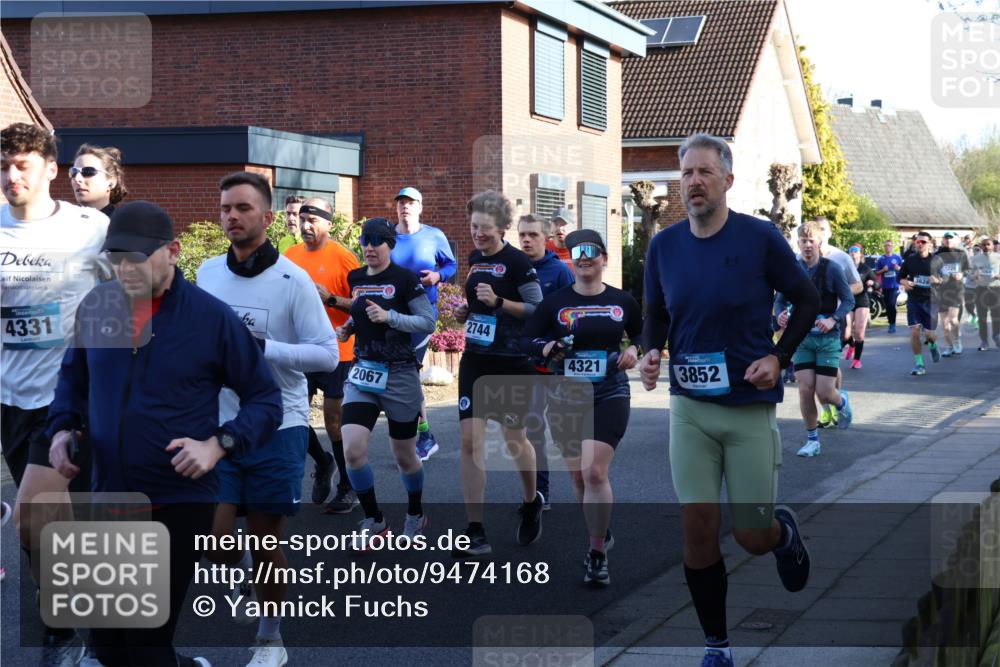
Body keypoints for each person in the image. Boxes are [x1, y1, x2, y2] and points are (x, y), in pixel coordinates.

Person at [47, 200, 283, 667]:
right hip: (108, 495)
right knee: (108, 644)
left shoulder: (209, 317)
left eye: (137, 258)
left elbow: (265, 399)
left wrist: (219, 444)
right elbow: (72, 382)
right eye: (115, 258)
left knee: (145, 642)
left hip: (176, 500)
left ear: (172, 251)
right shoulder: (100, 304)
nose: (124, 269)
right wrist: (60, 429)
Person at [639, 134, 817, 667]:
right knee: (697, 522)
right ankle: (717, 645)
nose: (693, 181)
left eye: (704, 173)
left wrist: (780, 358)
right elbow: (655, 314)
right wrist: (650, 352)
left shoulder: (760, 238)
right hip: (689, 407)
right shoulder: (663, 246)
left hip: (747, 407)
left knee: (750, 535)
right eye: (686, 173)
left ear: (727, 181)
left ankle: (781, 534)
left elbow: (806, 300)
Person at [198, 172, 338, 667]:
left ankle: (270, 638)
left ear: (268, 217)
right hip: (221, 424)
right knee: (213, 544)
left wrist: (263, 349)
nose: (231, 216)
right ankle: (246, 575)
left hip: (279, 423)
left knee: (265, 540)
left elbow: (326, 355)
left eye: (243, 208)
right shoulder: (208, 272)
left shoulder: (293, 281)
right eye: (225, 209)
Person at [1, 122, 110, 665]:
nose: (11, 176)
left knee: (32, 515)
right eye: (3, 166)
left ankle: (66, 625)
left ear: (49, 169)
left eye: (22, 165)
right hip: (10, 398)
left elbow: (129, 290)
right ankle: (68, 607)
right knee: (43, 527)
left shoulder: (88, 227)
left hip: (68, 396)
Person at [521, 228, 639, 585]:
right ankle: (600, 528)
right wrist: (543, 348)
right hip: (565, 396)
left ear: (604, 258)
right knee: (577, 476)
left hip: (609, 392)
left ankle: (596, 553)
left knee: (594, 472)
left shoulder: (622, 301)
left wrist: (635, 349)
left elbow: (644, 333)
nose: (584, 257)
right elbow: (528, 338)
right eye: (577, 252)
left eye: (591, 251)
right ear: (572, 260)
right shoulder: (555, 302)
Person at [451, 190, 545, 558]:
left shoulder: (519, 263)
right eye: (474, 226)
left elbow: (539, 309)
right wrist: (467, 312)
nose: (478, 234)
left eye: (485, 228)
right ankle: (475, 530)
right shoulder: (475, 259)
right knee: (470, 442)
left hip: (511, 363)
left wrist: (500, 303)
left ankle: (530, 500)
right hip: (476, 359)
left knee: (513, 441)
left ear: (503, 227)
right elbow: (478, 303)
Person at [334, 217, 436, 549]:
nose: (369, 246)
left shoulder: (405, 280)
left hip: (399, 374)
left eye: (377, 240)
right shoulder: (356, 277)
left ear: (390, 244)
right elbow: (361, 310)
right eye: (365, 240)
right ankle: (375, 520)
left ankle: (415, 513)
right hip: (364, 372)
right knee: (352, 450)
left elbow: (427, 321)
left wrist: (390, 317)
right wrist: (350, 326)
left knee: (404, 455)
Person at [284, 197, 361, 511]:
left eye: (313, 220)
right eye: (302, 219)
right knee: (292, 415)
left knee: (333, 421)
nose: (305, 226)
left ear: (329, 222)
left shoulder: (344, 258)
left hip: (337, 350)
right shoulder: (289, 255)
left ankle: (347, 486)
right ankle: (323, 461)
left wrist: (330, 299)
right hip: (300, 349)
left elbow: (361, 305)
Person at [389, 186, 458, 461]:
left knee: (408, 370)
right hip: (390, 314)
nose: (405, 207)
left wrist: (437, 277)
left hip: (421, 313)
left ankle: (424, 435)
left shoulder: (434, 235)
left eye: (410, 203)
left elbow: (450, 266)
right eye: (401, 203)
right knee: (398, 373)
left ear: (420, 207)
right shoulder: (387, 237)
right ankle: (415, 433)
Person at [776, 223, 854, 457]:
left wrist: (833, 319)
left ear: (819, 243)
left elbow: (848, 300)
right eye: (803, 241)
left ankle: (842, 403)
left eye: (811, 241)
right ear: (797, 244)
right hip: (801, 338)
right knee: (804, 390)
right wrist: (779, 315)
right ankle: (812, 440)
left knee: (825, 393)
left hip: (827, 339)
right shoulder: (792, 269)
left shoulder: (832, 269)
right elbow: (780, 300)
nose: (807, 245)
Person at [517, 213, 575, 508]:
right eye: (522, 235)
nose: (526, 240)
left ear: (546, 238)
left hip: (558, 364)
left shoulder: (559, 271)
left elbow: (572, 315)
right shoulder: (514, 268)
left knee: (566, 432)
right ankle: (540, 494)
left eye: (533, 235)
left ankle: (589, 487)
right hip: (529, 364)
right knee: (532, 427)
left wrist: (561, 347)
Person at [813, 218, 862, 428]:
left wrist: (839, 292)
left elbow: (858, 285)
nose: (820, 234)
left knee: (829, 365)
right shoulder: (802, 257)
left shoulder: (841, 257)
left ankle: (836, 401)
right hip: (809, 320)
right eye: (817, 230)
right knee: (810, 372)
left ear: (830, 233)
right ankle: (825, 408)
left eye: (824, 230)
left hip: (835, 317)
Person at [898, 231, 942, 375]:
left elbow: (946, 279)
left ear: (930, 243)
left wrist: (938, 280)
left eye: (923, 242)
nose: (920, 244)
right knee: (915, 330)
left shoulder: (937, 260)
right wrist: (905, 282)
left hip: (931, 300)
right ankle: (919, 364)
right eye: (918, 242)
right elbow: (900, 277)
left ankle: (933, 345)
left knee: (929, 334)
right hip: (914, 300)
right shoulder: (910, 260)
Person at [933, 231, 971, 356]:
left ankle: (957, 341)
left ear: (956, 240)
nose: (948, 240)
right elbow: (933, 269)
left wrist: (962, 274)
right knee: (944, 324)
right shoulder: (938, 254)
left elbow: (968, 269)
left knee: (953, 319)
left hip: (956, 290)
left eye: (950, 238)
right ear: (943, 240)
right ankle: (950, 346)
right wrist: (936, 278)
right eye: (946, 238)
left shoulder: (961, 254)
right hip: (941, 290)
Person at [69, 143, 128, 217]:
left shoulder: (122, 224)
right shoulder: (65, 223)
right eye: (74, 172)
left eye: (88, 171)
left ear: (111, 183)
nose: (77, 179)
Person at [844, 245, 877, 368]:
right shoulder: (844, 268)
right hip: (848, 301)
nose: (853, 253)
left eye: (855, 251)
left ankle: (857, 360)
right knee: (845, 334)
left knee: (859, 332)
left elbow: (877, 284)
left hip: (862, 301)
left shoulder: (866, 269)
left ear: (860, 254)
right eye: (851, 251)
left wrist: (872, 283)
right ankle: (852, 345)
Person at [971, 236, 1000, 351]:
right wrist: (975, 276)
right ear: (980, 246)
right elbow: (970, 274)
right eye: (983, 245)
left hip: (996, 288)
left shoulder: (998, 257)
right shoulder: (975, 259)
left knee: (996, 316)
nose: (986, 247)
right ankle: (984, 341)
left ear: (993, 246)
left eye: (988, 244)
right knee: (982, 317)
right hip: (981, 289)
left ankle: (996, 336)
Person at [875, 239, 903, 333]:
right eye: (886, 245)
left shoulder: (897, 258)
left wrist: (898, 268)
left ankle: (893, 324)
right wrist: (883, 270)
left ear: (892, 247)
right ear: (884, 247)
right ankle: (891, 322)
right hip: (885, 286)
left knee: (891, 304)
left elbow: (904, 270)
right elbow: (876, 272)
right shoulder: (881, 259)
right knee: (887, 306)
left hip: (895, 285)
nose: (888, 247)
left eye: (889, 245)